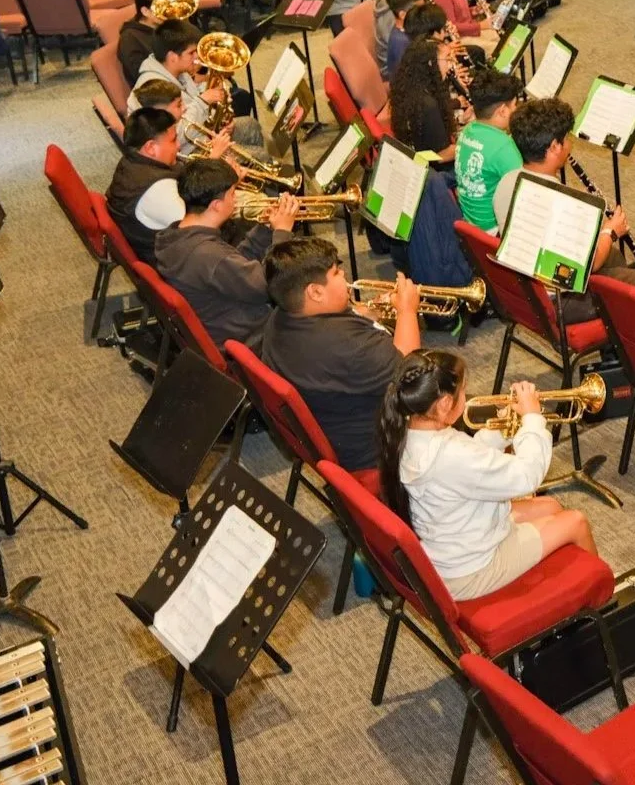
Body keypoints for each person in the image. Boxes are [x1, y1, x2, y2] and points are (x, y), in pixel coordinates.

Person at [375, 349, 596, 601]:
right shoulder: (452, 455)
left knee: (551, 506)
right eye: (463, 391)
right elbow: (527, 476)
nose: (466, 396)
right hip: (472, 571)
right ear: (445, 403)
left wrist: (505, 427)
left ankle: (565, 586)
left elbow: (471, 459)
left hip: (452, 543)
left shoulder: (407, 431)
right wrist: (532, 419)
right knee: (576, 522)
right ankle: (599, 597)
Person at [491, 98, 635, 317]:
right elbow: (587, 266)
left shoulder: (507, 181)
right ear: (554, 147)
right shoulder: (562, 202)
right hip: (559, 300)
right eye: (567, 138)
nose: (570, 144)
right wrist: (611, 231)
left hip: (524, 287)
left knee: (614, 257)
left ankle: (625, 329)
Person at [256, 236, 418, 472]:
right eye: (336, 272)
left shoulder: (279, 318)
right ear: (315, 292)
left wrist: (367, 313)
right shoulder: (351, 347)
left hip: (335, 426)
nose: (344, 274)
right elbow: (411, 373)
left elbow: (341, 326)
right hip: (379, 448)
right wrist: (407, 311)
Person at [156, 158, 297, 346]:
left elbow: (233, 263)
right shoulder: (208, 255)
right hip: (251, 335)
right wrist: (282, 233)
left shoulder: (176, 234)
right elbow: (269, 287)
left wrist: (265, 229)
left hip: (224, 318)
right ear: (216, 205)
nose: (235, 198)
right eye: (232, 194)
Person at [127, 19, 263, 148]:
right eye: (191, 53)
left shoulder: (178, 71)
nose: (197, 57)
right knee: (259, 155)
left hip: (202, 134)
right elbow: (176, 136)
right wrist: (203, 101)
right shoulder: (154, 89)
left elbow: (193, 96)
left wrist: (221, 117)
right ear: (172, 56)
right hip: (187, 149)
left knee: (251, 125)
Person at [108, 107, 185, 268]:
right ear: (150, 148)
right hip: (171, 263)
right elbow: (197, 228)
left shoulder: (130, 161)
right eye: (173, 140)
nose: (178, 146)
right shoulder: (157, 188)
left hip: (151, 249)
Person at [455, 71, 524, 231]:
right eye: (514, 105)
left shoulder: (468, 129)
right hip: (492, 229)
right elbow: (523, 194)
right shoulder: (503, 147)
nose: (516, 110)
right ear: (502, 111)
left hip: (470, 221)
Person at [388, 24, 465, 162]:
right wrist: (471, 146)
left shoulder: (412, 89)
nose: (449, 65)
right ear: (430, 63)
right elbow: (440, 155)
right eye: (447, 59)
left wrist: (461, 119)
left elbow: (429, 133)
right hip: (440, 169)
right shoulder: (428, 105)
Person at [385, 0, 447, 77]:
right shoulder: (401, 42)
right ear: (402, 15)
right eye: (418, 10)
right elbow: (417, 74)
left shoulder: (411, 31)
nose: (425, 13)